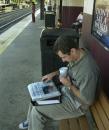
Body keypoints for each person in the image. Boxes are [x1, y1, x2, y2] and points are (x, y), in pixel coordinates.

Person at [19, 35, 101, 130]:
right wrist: (54, 74)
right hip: (66, 92)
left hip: (77, 105)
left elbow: (88, 100)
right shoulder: (79, 54)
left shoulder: (87, 71)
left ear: (73, 51)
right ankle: (30, 122)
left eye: (64, 57)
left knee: (37, 111)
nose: (63, 60)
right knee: (36, 98)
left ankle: (33, 122)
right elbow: (69, 69)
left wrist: (69, 85)